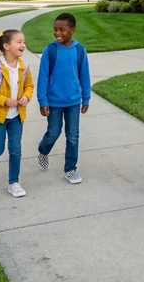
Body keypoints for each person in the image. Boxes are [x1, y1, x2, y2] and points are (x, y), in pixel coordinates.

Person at [36, 12, 91, 184]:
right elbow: (43, 77)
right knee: (53, 133)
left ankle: (70, 169)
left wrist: (86, 98)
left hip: (74, 101)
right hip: (54, 101)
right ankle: (43, 150)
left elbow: (85, 76)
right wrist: (42, 101)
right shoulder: (50, 50)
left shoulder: (79, 50)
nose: (58, 33)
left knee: (73, 135)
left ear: (72, 30)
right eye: (55, 30)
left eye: (62, 30)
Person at [0, 29, 35, 198]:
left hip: (17, 116)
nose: (23, 45)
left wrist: (26, 96)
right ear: (6, 46)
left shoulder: (24, 67)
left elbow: (29, 86)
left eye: (23, 42)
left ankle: (14, 182)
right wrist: (4, 100)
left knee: (16, 149)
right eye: (19, 42)